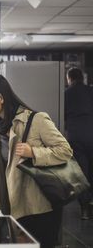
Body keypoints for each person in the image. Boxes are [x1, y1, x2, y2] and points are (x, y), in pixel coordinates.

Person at [0, 75, 73, 248]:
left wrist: (34, 152)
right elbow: (8, 168)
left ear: (0, 97)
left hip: (38, 208)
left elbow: (65, 151)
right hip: (12, 207)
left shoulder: (36, 120)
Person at [65, 67, 93, 219]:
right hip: (92, 133)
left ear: (69, 79)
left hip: (75, 136)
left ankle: (85, 209)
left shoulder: (66, 94)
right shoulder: (90, 91)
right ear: (82, 78)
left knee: (81, 173)